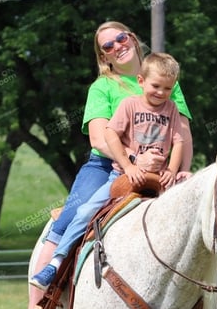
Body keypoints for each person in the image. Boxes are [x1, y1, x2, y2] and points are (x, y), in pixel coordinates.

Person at [16, 21, 217, 309]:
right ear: (104, 57)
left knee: (203, 232)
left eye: (120, 38)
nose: (116, 46)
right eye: (107, 46)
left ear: (133, 38)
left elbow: (181, 134)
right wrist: (132, 162)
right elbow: (100, 138)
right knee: (71, 217)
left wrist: (180, 171)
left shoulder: (164, 78)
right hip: (108, 166)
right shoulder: (103, 87)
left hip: (163, 168)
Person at [29, 52, 187, 290]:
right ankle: (56, 263)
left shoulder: (171, 108)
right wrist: (129, 165)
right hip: (122, 176)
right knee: (85, 212)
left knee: (187, 216)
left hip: (158, 178)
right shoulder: (129, 104)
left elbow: (180, 141)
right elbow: (110, 134)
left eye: (167, 88)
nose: (161, 93)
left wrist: (173, 170)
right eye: (156, 86)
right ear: (141, 81)